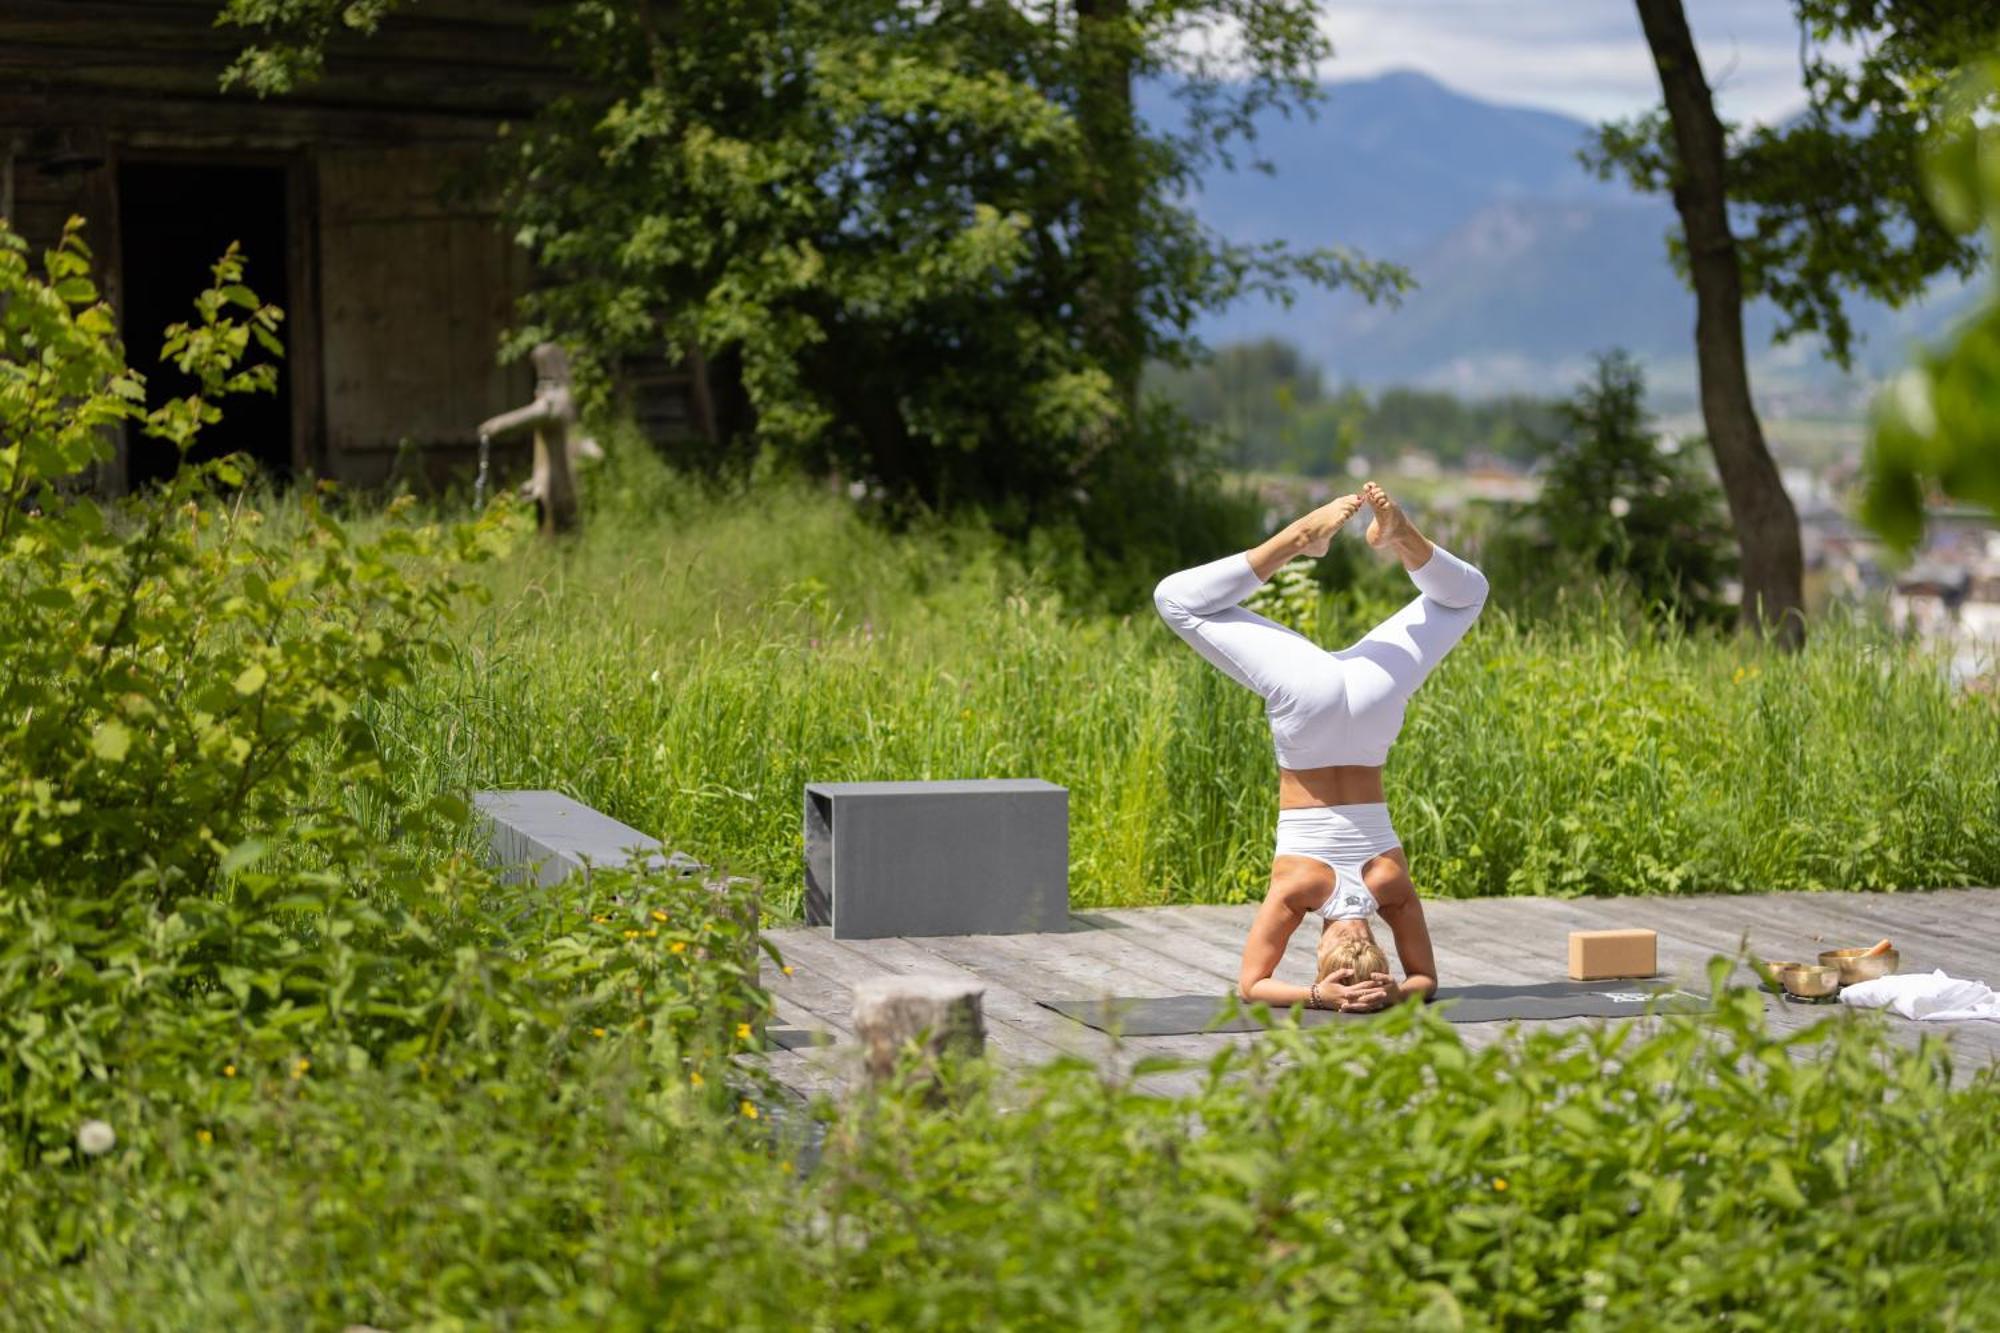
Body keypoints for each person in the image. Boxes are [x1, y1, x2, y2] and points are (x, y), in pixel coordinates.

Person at [1152, 481, 1488, 1013]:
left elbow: (1426, 977)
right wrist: (1317, 995)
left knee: (1466, 596)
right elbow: (1253, 984)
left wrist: (1399, 989)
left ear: (1377, 946)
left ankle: (1403, 539)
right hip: (1310, 713)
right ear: (1322, 950)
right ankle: (1295, 540)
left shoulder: (1389, 885)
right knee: (1175, 600)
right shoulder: (1300, 890)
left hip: (1372, 706)